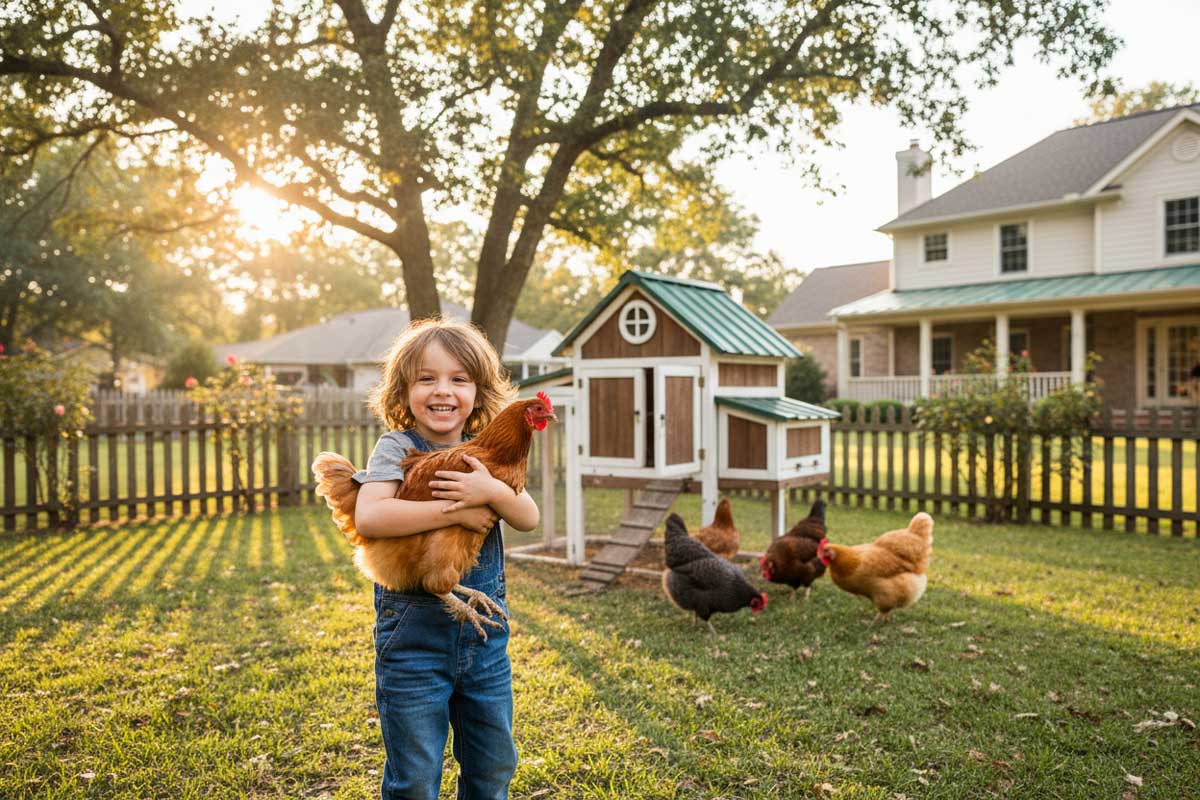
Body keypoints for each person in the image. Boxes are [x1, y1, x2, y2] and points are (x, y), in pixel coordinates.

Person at [352, 317, 538, 800]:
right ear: (403, 389)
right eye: (427, 378)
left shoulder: (488, 459)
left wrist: (492, 491)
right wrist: (456, 508)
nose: (443, 391)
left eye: (459, 379)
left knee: (494, 764)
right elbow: (371, 518)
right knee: (415, 777)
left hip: (485, 645)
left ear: (478, 392)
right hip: (412, 641)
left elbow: (529, 518)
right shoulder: (397, 446)